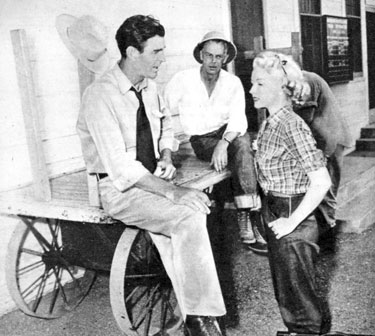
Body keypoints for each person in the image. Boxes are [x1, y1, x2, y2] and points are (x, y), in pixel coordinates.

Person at [76, 15, 225, 336]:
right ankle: (201, 319)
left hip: (154, 180)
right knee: (187, 216)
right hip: (119, 189)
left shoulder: (150, 88)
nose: (163, 58)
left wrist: (168, 154)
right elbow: (120, 167)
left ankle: (193, 315)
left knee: (191, 219)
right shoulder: (100, 95)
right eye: (156, 51)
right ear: (131, 52)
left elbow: (166, 128)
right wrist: (173, 192)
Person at [250, 51, 332, 334]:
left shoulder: (291, 125)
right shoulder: (270, 121)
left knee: (300, 299)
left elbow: (321, 181)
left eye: (259, 84)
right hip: (276, 209)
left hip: (292, 213)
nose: (252, 90)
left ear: (281, 88)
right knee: (287, 293)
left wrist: (292, 221)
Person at [164, 31, 267, 254]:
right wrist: (167, 149)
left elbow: (239, 119)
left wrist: (223, 143)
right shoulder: (182, 80)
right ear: (201, 55)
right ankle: (250, 215)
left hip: (228, 136)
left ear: (226, 57)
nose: (213, 61)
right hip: (201, 140)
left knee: (242, 142)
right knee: (243, 145)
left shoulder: (232, 82)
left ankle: (245, 214)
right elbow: (164, 114)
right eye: (209, 55)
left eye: (219, 57)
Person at [293, 71, 353, 235]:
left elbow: (304, 117)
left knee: (326, 189)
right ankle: (324, 231)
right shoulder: (297, 81)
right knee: (320, 187)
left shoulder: (306, 81)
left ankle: (328, 236)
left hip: (329, 138)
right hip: (322, 138)